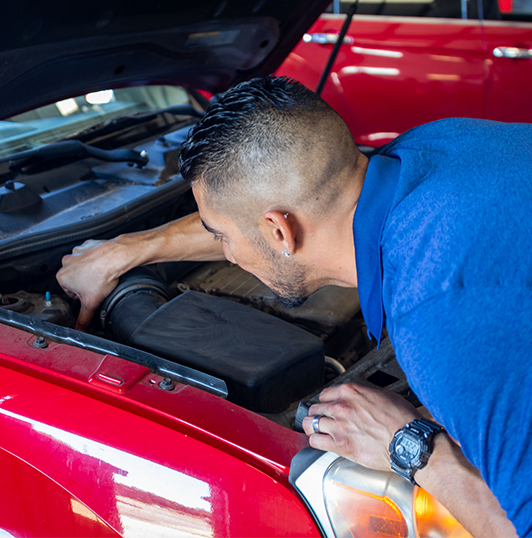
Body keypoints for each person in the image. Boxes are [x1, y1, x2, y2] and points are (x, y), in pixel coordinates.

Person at [56, 76, 532, 538]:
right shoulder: (438, 144)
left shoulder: (441, 312)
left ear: (279, 233)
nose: (225, 252)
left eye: (221, 236)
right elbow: (271, 211)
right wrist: (130, 249)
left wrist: (411, 446)